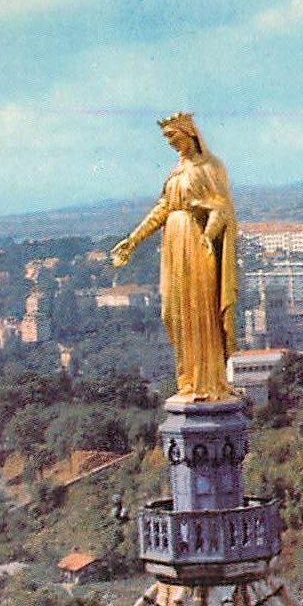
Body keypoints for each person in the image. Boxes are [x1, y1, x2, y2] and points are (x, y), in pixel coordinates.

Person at [111, 113, 238, 401]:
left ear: (189, 133)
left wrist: (209, 232)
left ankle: (208, 381)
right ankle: (189, 379)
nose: (171, 143)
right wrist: (133, 239)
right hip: (173, 244)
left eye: (173, 136)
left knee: (199, 310)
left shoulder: (211, 166)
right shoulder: (176, 170)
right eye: (167, 138)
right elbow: (162, 209)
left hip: (196, 241)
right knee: (174, 312)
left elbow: (221, 208)